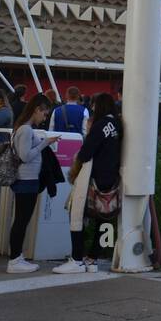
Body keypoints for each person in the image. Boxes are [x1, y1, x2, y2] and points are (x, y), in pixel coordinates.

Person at [56, 93, 121, 274]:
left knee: (76, 215)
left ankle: (77, 259)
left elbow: (86, 153)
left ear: (98, 106)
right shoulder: (117, 124)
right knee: (105, 220)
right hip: (112, 180)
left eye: (93, 105)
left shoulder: (100, 125)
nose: (92, 109)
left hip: (92, 180)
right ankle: (93, 258)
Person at [8, 94, 61, 274]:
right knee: (22, 221)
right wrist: (44, 143)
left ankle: (16, 257)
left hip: (26, 180)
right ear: (37, 109)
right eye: (44, 114)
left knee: (21, 220)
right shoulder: (26, 130)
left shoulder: (23, 128)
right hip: (26, 180)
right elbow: (25, 156)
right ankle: (14, 260)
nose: (44, 118)